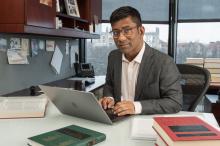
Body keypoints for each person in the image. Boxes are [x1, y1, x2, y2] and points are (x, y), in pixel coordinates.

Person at [99, 6, 182, 116]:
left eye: (127, 30)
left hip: (147, 122)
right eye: (115, 32)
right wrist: (109, 98)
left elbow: (174, 102)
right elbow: (109, 85)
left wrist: (135, 106)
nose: (120, 38)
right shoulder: (113, 57)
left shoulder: (164, 62)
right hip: (117, 118)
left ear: (141, 31)